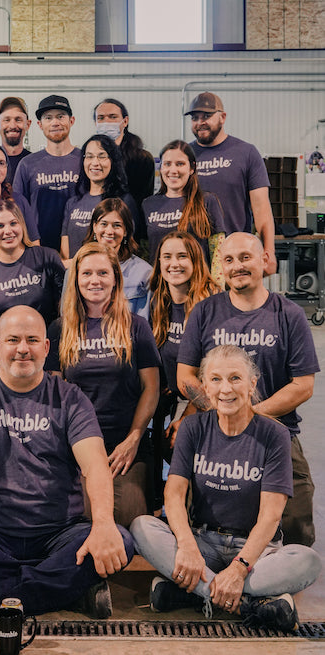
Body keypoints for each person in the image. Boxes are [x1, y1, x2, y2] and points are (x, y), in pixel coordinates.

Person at [0, 306, 135, 622]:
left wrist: (102, 525)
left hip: (60, 535)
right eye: (13, 340)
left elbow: (95, 466)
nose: (23, 349)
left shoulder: (71, 399)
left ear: (46, 348)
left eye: (32, 339)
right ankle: (66, 591)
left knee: (121, 540)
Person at [131, 345, 321, 633]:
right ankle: (248, 604)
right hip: (202, 543)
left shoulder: (275, 435)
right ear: (205, 386)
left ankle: (194, 591)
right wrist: (187, 547)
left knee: (307, 561)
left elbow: (271, 516)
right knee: (142, 527)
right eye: (216, 379)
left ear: (252, 383)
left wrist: (239, 567)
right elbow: (174, 494)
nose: (225, 389)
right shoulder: (193, 428)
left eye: (235, 378)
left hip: (257, 553)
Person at [177, 232, 320, 546]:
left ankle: (280, 581)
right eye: (229, 260)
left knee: (296, 525)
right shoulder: (205, 312)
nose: (237, 266)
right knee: (191, 507)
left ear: (264, 261)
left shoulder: (289, 315)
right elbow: (185, 376)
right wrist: (216, 410)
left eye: (245, 257)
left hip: (275, 429)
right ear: (222, 268)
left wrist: (249, 415)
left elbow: (303, 385)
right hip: (214, 430)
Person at [48, 243, 160, 527]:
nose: (94, 280)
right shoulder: (60, 329)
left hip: (124, 445)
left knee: (130, 520)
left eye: (102, 273)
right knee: (83, 518)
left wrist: (134, 439)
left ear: (115, 279)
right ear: (76, 280)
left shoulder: (136, 326)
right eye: (86, 273)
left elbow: (151, 388)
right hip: (79, 443)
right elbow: (54, 394)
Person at [148, 230, 221, 509]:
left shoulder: (211, 305)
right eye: (167, 256)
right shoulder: (159, 301)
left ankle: (199, 511)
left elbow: (210, 375)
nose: (174, 263)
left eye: (182, 256)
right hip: (174, 396)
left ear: (196, 261)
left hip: (206, 397)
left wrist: (189, 414)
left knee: (181, 440)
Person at [186, 92, 276, 274]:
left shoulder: (246, 153)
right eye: (195, 118)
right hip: (192, 254)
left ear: (223, 117)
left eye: (207, 116)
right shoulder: (184, 155)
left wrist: (269, 252)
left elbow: (262, 209)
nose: (200, 122)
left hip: (235, 254)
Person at [0, 199, 64, 325]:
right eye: (0, 226)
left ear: (22, 225)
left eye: (13, 223)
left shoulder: (47, 258)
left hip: (44, 340)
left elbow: (67, 306)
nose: (8, 231)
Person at [143, 139, 225, 272]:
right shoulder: (148, 204)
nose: (173, 170)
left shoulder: (207, 201)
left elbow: (218, 251)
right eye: (167, 164)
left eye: (180, 164)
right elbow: (145, 251)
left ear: (192, 168)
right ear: (161, 167)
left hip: (198, 287)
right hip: (161, 287)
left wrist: (218, 288)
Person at [13, 94, 81, 251]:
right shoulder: (28, 164)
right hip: (39, 250)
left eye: (61, 116)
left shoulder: (85, 160)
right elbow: (18, 210)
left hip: (79, 249)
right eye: (48, 118)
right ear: (39, 124)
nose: (55, 122)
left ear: (71, 121)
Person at [60, 134, 138, 263]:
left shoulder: (123, 201)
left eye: (102, 156)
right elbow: (65, 252)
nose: (95, 163)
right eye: (89, 156)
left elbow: (126, 247)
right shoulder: (73, 202)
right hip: (76, 274)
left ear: (113, 160)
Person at [83, 198, 152, 318]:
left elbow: (146, 325)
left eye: (117, 225)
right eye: (104, 224)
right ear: (94, 227)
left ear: (125, 231)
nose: (109, 231)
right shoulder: (77, 269)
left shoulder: (145, 273)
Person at [93, 98, 155, 229]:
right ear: (95, 123)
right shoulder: (90, 159)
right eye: (101, 118)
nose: (107, 122)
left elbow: (143, 201)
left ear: (125, 121)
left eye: (113, 117)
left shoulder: (141, 159)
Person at [0, 96, 31, 181]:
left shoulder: (34, 163)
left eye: (18, 120)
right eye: (6, 120)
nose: (12, 126)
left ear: (28, 124)